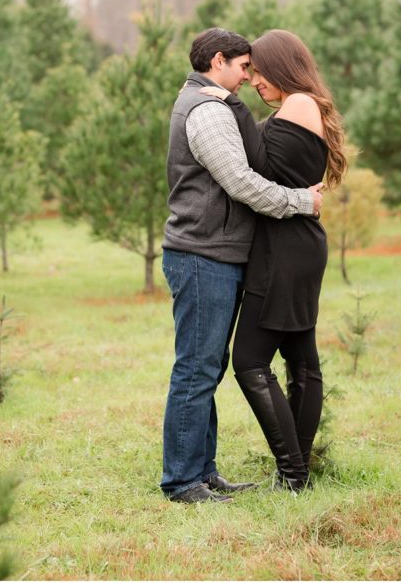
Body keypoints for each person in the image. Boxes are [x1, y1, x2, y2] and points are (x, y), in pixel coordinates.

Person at [161, 27, 325, 504]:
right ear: (219, 61)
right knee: (197, 369)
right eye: (243, 67)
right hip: (202, 254)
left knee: (208, 368)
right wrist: (302, 201)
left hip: (220, 253)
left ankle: (202, 471)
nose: (248, 77)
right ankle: (183, 482)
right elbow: (240, 181)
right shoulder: (208, 109)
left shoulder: (218, 105)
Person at [199, 29, 346, 492]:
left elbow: (256, 167)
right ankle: (296, 475)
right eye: (251, 71)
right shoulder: (301, 105)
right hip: (294, 243)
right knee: (302, 359)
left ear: (283, 66)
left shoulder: (298, 103)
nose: (255, 80)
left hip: (285, 248)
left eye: (260, 71)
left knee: (249, 361)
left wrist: (229, 103)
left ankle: (293, 472)